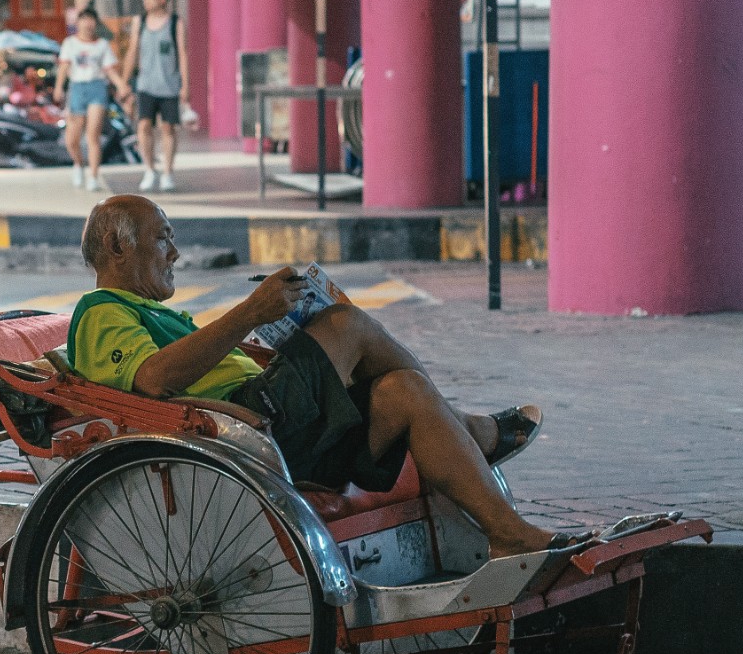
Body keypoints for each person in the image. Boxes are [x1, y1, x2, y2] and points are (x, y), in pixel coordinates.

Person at [67, 195, 558, 560]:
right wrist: (248, 315)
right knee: (347, 325)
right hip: (244, 434)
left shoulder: (153, 311)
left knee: (402, 391)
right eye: (162, 237)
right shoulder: (100, 310)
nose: (174, 252)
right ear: (116, 245)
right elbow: (152, 380)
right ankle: (472, 429)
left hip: (268, 427)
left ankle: (506, 533)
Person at [123, 0, 190, 192]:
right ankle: (150, 169)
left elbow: (183, 54)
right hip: (145, 85)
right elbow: (132, 51)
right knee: (144, 126)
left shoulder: (175, 23)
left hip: (169, 85)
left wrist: (185, 85)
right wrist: (124, 82)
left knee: (168, 128)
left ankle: (168, 172)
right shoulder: (139, 22)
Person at [54, 8, 123, 192]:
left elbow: (109, 70)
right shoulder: (70, 43)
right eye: (84, 20)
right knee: (72, 139)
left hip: (97, 88)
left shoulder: (102, 45)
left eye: (91, 20)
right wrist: (59, 87)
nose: (88, 24)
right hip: (77, 88)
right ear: (78, 23)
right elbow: (64, 67)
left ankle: (93, 175)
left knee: (93, 135)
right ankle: (78, 164)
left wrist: (121, 85)